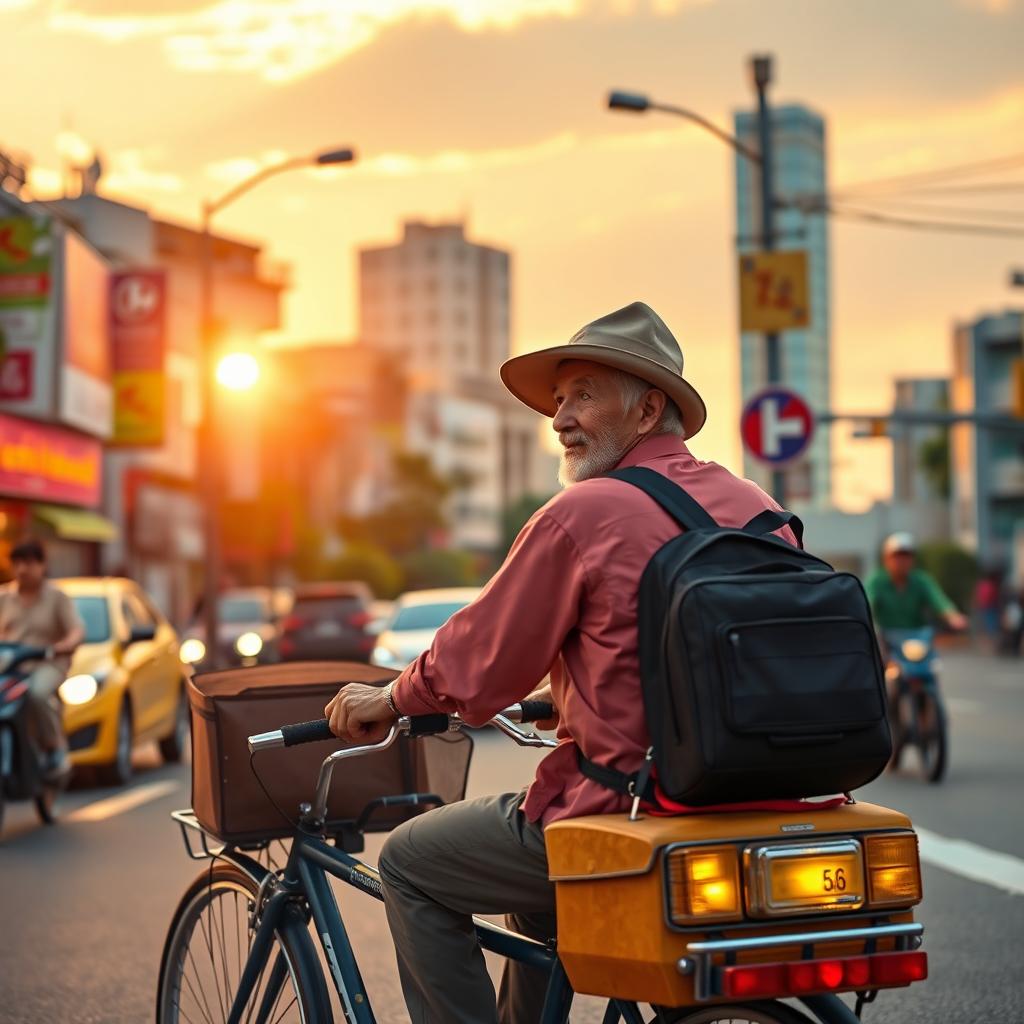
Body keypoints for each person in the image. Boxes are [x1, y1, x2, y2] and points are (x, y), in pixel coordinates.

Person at [324, 301, 799, 1024]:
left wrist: (390, 698)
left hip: (626, 808)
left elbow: (480, 661)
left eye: (582, 394)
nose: (559, 417)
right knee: (533, 911)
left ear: (646, 412)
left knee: (409, 865)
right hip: (761, 798)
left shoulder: (583, 514)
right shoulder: (756, 505)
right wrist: (570, 694)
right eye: (558, 399)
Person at [0, 538, 84, 779]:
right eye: (17, 563)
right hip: (10, 667)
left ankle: (55, 747)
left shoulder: (57, 597)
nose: (22, 569)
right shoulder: (4, 597)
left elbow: (76, 630)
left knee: (36, 694)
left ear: (42, 565)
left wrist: (66, 645)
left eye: (28, 562)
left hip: (47, 664)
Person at [865, 532, 968, 634]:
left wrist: (952, 616)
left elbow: (939, 600)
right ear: (886, 559)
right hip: (887, 637)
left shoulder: (921, 580)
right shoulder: (876, 581)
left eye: (907, 556)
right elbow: (867, 603)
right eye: (897, 556)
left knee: (931, 651)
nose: (902, 561)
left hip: (917, 635)